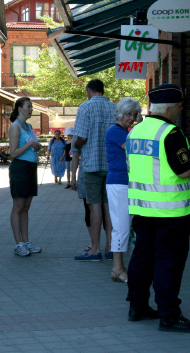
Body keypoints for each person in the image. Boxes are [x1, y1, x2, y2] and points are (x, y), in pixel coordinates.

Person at [126, 84, 190, 333]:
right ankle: (169, 314)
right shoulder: (171, 133)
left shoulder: (135, 131)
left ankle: (137, 307)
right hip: (171, 212)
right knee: (169, 262)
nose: (180, 111)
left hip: (142, 209)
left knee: (142, 258)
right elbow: (184, 170)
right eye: (179, 107)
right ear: (169, 108)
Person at [70, 79, 116, 262]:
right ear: (102, 91)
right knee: (109, 207)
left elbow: (81, 136)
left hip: (91, 165)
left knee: (94, 207)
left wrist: (76, 144)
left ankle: (95, 249)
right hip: (111, 165)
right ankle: (111, 247)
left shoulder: (86, 107)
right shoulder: (115, 108)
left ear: (89, 90)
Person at [105, 98, 141, 283]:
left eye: (134, 115)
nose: (132, 118)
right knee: (121, 227)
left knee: (123, 226)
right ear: (120, 113)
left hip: (123, 183)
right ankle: (117, 268)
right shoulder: (116, 131)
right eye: (129, 114)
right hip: (119, 183)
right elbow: (134, 150)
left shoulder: (121, 131)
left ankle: (118, 268)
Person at [7, 97, 43, 257]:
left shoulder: (28, 126)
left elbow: (29, 146)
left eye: (31, 107)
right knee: (18, 206)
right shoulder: (15, 127)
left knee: (26, 206)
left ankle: (26, 241)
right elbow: (13, 153)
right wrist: (29, 145)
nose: (31, 109)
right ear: (20, 108)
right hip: (20, 168)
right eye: (29, 106)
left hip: (30, 167)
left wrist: (36, 147)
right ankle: (18, 243)